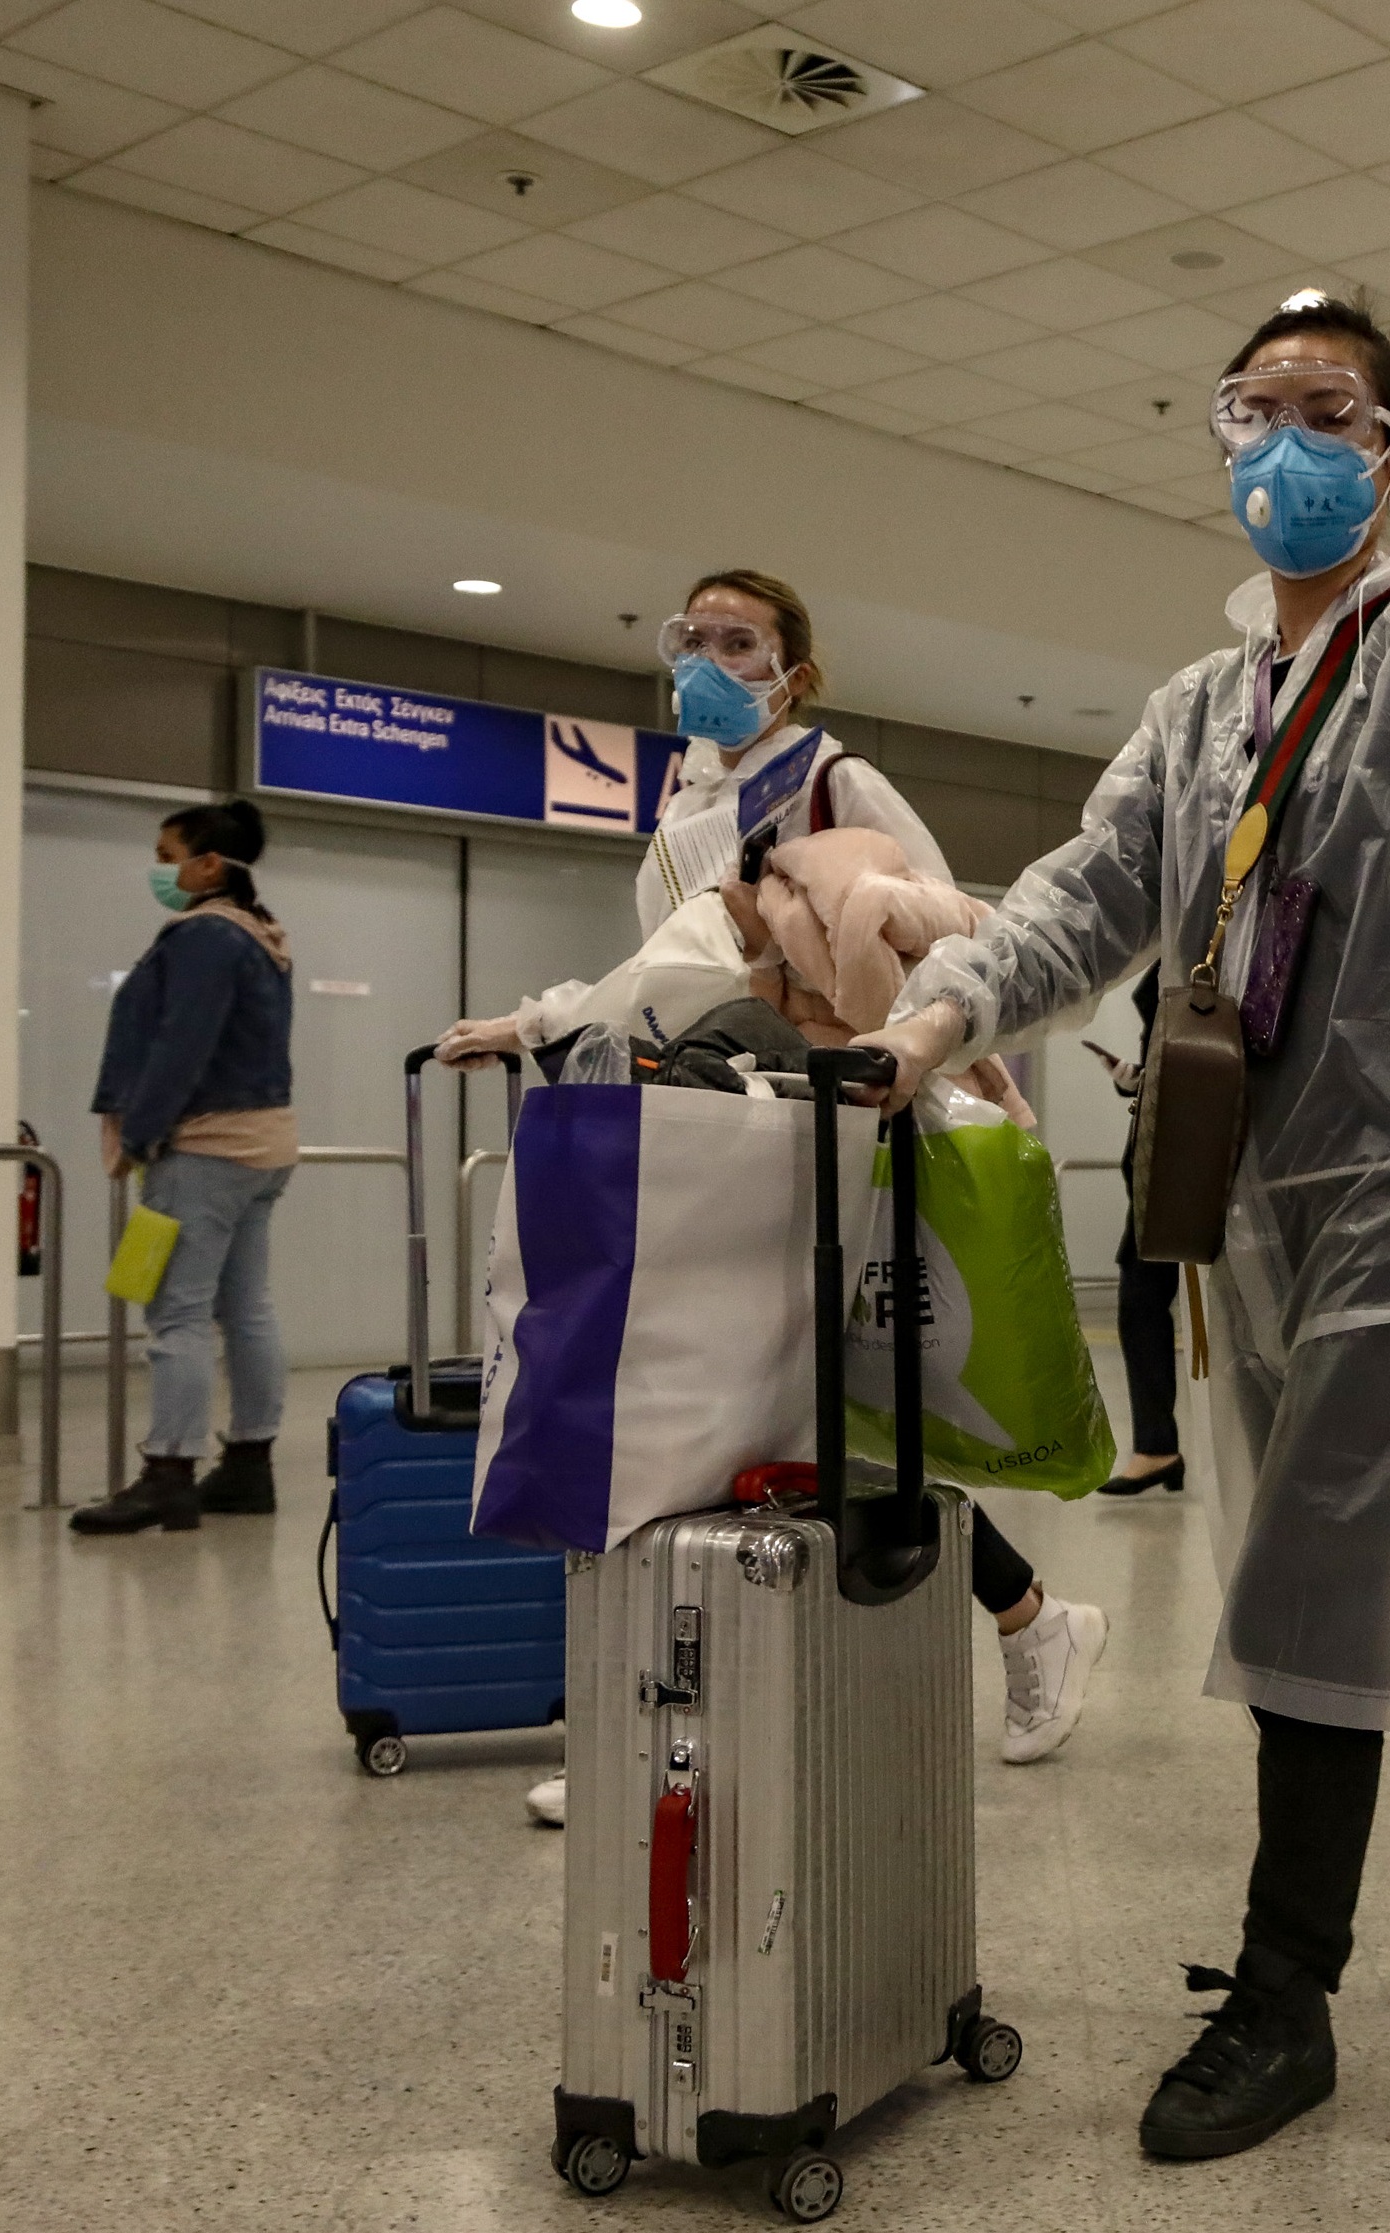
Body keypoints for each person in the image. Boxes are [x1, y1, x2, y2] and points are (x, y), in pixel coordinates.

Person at [861, 293, 1390, 2162]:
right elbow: (1086, 895)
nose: (1284, 440)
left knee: (1309, 1573)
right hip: (1260, 1195)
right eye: (1253, 406)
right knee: (1365, 1563)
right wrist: (931, 1020)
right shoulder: (1196, 709)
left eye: (1327, 409)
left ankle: (1287, 1995)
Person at [434, 571, 1104, 1818]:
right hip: (719, 1108)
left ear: (793, 672)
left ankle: (677, 1730)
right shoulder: (685, 793)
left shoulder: (836, 778)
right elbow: (666, 968)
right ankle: (1016, 1619)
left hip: (819, 1120)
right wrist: (535, 1022)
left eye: (737, 641)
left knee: (735, 1420)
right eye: (690, 635)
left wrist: (940, 1068)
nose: (704, 658)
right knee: (743, 1426)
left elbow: (956, 951)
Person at [74, 801, 298, 1533]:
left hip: (203, 1148)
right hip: (261, 1146)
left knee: (177, 1314)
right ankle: (249, 1464)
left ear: (207, 866)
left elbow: (180, 1044)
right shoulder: (261, 935)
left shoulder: (205, 936)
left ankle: (169, 1471)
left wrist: (139, 1135)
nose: (159, 870)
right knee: (247, 1308)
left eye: (167, 856)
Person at [1093, 976, 1185, 1496]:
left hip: (1180, 1159)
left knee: (1142, 1300)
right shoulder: (1181, 951)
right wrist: (1135, 1081)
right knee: (1140, 1298)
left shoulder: (1199, 948)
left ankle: (1158, 1447)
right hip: (1167, 1159)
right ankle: (1157, 1446)